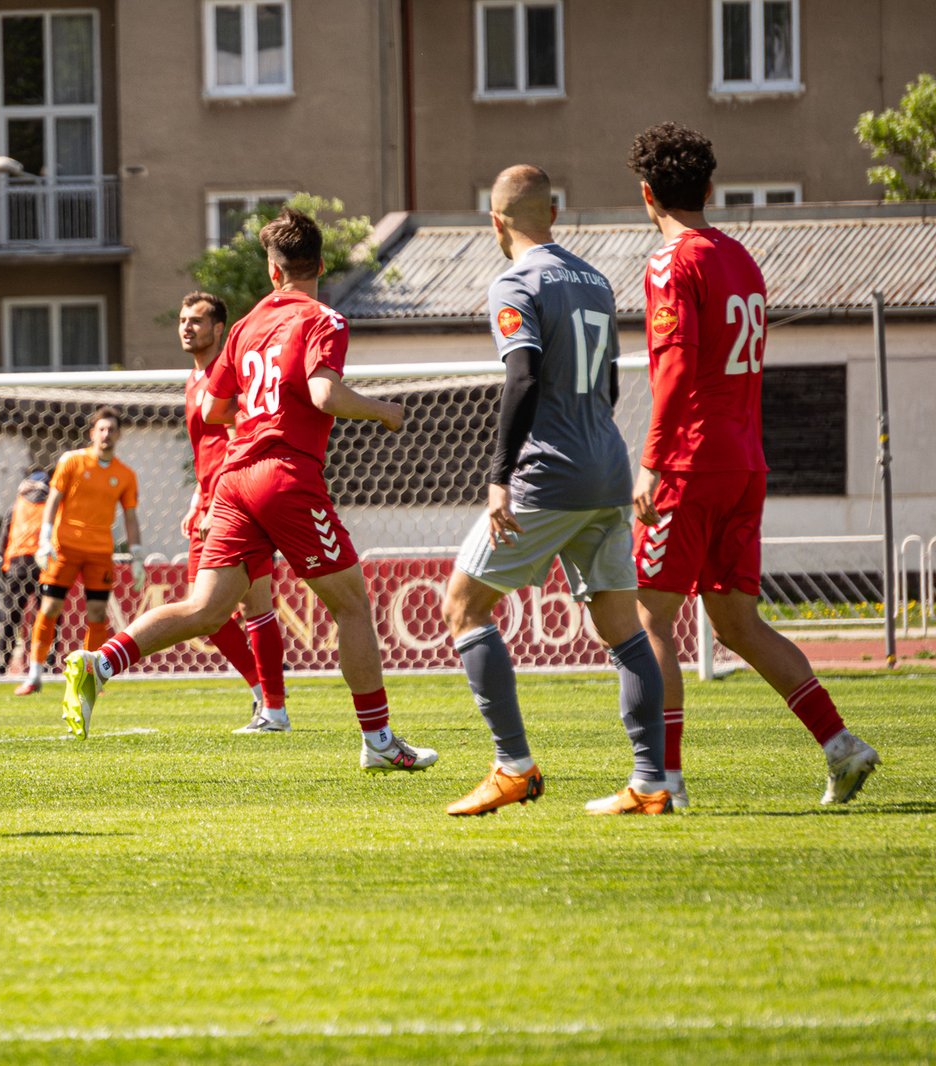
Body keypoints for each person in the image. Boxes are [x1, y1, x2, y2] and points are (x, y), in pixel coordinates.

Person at [58, 208, 439, 775]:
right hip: (285, 476)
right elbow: (325, 395)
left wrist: (258, 416)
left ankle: (101, 662)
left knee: (206, 609)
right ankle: (379, 740)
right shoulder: (325, 319)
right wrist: (384, 410)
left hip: (234, 482)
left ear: (272, 270)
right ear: (321, 265)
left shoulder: (245, 326)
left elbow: (214, 409)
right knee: (352, 606)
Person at [626, 122, 880, 808]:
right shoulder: (742, 259)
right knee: (736, 623)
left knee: (651, 617)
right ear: (710, 189)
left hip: (690, 463)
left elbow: (676, 370)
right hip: (744, 463)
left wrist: (652, 463)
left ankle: (663, 782)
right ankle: (840, 744)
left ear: (647, 194)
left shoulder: (670, 263)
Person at [442, 165, 669, 817]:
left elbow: (522, 378)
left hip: (549, 475)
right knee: (624, 630)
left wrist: (499, 478)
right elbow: (612, 384)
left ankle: (513, 767)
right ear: (553, 214)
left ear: (495, 221)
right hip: (607, 469)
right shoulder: (596, 280)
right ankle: (650, 783)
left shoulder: (515, 281)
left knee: (463, 608)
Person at [178, 291, 290, 733]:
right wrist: (197, 498)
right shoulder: (193, 379)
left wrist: (218, 502)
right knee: (215, 611)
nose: (187, 327)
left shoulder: (228, 378)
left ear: (219, 328)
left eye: (197, 320)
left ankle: (272, 705)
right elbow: (205, 449)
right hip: (211, 501)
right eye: (183, 320)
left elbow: (238, 441)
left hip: (232, 502)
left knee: (242, 605)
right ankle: (268, 699)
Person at [13, 408, 143, 696]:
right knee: (50, 607)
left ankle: (90, 677)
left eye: (111, 429)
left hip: (99, 552)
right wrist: (44, 540)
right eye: (101, 429)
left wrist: (137, 555)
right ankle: (34, 674)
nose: (106, 434)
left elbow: (130, 516)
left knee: (97, 612)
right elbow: (53, 499)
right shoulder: (71, 461)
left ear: (119, 435)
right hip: (65, 548)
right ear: (92, 433)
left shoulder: (125, 475)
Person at [0, 469, 50, 675]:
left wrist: (4, 568)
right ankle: (47, 663)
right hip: (44, 565)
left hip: (18, 565)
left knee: (11, 619)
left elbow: (2, 540)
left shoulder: (16, 506)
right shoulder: (51, 506)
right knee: (48, 617)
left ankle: (1, 666)